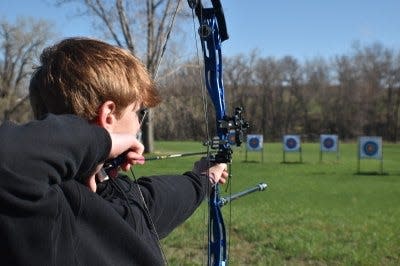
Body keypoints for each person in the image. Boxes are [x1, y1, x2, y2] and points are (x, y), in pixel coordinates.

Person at [0, 37, 228, 265]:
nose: (139, 125)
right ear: (108, 115)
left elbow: (163, 197)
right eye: (138, 112)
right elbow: (8, 157)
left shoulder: (118, 195)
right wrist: (103, 143)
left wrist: (204, 177)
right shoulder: (48, 213)